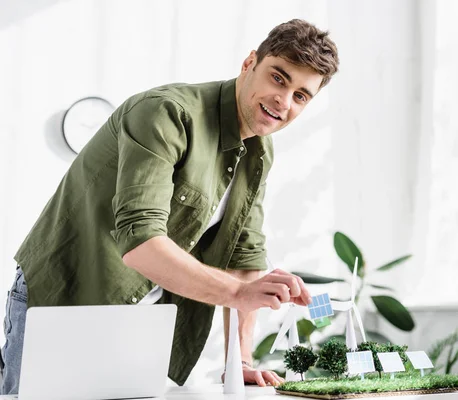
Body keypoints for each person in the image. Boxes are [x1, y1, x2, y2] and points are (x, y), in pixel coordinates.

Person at [0, 18, 339, 395]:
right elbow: (141, 243)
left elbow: (245, 259)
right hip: (65, 298)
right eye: (278, 78)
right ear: (249, 63)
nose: (284, 101)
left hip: (143, 324)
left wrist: (239, 361)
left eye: (301, 96)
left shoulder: (259, 152)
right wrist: (235, 293)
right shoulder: (166, 113)